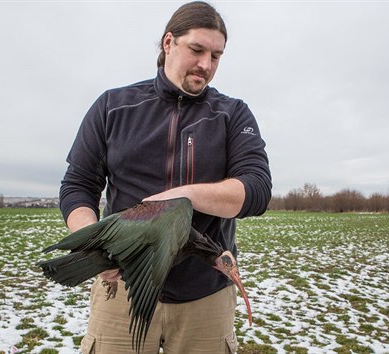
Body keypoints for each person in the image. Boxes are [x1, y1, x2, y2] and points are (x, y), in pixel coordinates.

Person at [59, 1, 272, 353]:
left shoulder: (232, 114)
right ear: (168, 43)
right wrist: (91, 240)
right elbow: (78, 185)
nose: (206, 64)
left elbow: (256, 190)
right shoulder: (113, 107)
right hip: (122, 293)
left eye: (216, 56)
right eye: (197, 49)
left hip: (204, 298)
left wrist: (181, 197)